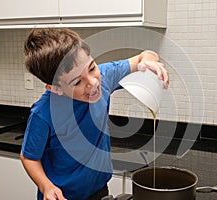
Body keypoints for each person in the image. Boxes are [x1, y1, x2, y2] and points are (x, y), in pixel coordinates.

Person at [20, 28, 169, 200]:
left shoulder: (104, 77)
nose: (93, 83)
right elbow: (29, 157)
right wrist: (46, 186)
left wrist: (151, 62)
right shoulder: (43, 114)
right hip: (62, 196)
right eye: (77, 82)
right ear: (56, 89)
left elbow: (146, 55)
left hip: (98, 191)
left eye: (92, 68)